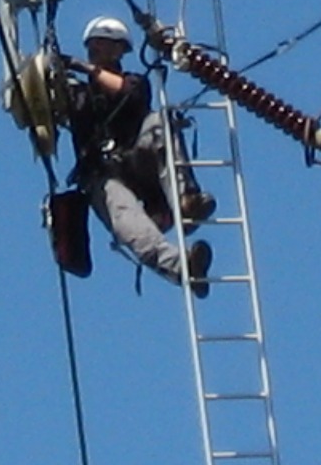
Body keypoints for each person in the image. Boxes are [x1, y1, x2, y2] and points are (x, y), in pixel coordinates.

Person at [63, 15, 215, 296]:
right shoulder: (78, 94)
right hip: (105, 176)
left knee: (159, 123)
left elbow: (128, 95)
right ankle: (184, 268)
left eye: (103, 44)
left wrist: (81, 67)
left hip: (141, 164)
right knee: (129, 225)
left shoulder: (134, 83)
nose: (96, 50)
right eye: (93, 45)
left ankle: (186, 200)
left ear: (119, 50)